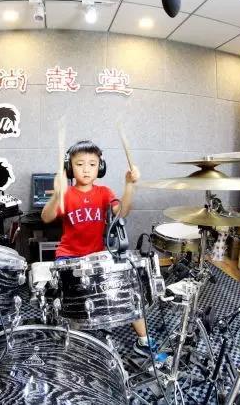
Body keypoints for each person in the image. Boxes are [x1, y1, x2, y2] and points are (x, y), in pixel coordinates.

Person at [41, 140, 156, 357]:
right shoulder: (66, 194)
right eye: (80, 164)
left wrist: (129, 185)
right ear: (69, 168)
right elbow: (46, 217)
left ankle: (144, 340)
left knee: (126, 287)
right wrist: (57, 194)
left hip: (97, 255)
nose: (86, 169)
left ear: (100, 168)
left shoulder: (104, 192)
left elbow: (122, 212)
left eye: (92, 164)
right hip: (69, 257)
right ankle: (73, 342)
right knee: (74, 304)